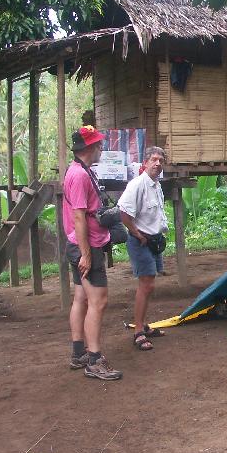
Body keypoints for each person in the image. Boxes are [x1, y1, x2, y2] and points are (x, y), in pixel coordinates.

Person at [64, 125, 122, 380]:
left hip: (81, 243)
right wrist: (87, 254)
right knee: (98, 301)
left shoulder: (82, 170)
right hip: (86, 245)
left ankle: (79, 353)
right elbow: (78, 217)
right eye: (98, 144)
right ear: (88, 148)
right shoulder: (79, 175)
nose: (101, 148)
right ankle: (95, 360)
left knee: (81, 298)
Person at [118, 147, 169, 351]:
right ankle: (138, 331)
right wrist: (137, 234)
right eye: (154, 160)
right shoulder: (137, 185)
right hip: (141, 240)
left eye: (161, 161)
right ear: (145, 163)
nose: (157, 164)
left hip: (154, 240)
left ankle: (143, 326)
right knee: (145, 285)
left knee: (150, 285)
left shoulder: (156, 186)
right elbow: (123, 213)